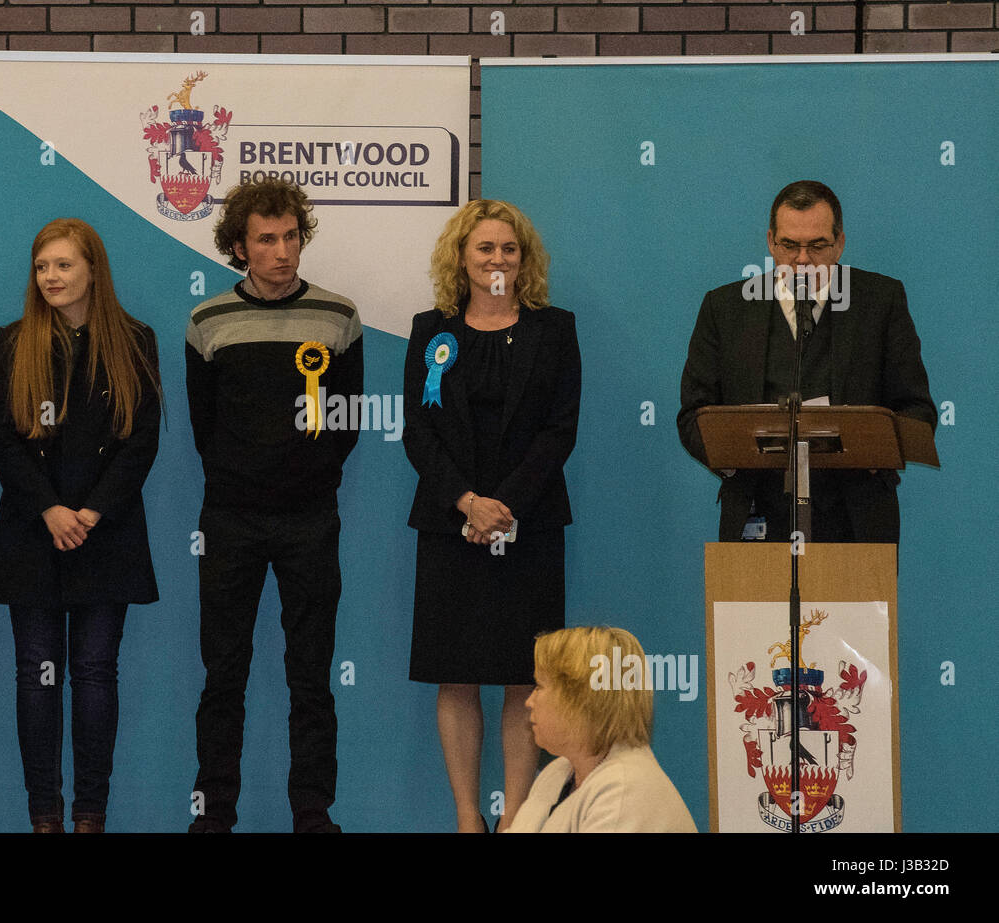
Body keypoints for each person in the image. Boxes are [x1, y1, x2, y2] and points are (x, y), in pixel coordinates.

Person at [185, 178, 362, 833]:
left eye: (290, 236)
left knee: (311, 676)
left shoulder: (339, 316)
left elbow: (345, 423)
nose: (282, 250)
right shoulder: (207, 321)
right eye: (266, 239)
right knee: (223, 674)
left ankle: (313, 811)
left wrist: (304, 479)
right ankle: (215, 812)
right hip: (229, 520)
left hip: (311, 520)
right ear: (240, 245)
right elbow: (205, 428)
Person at [402, 199, 581, 833]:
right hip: (449, 524)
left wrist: (505, 505)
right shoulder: (432, 329)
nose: (497, 259)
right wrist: (468, 503)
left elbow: (560, 431)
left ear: (523, 259)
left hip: (527, 524)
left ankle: (518, 819)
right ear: (462, 257)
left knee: (521, 675)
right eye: (485, 248)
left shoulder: (554, 329)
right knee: (456, 674)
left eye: (509, 249)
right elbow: (417, 431)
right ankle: (466, 818)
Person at [0, 218, 161, 834]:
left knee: (93, 674)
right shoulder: (12, 341)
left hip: (104, 534)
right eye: (42, 267)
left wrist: (92, 511)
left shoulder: (136, 340)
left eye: (63, 265)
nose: (51, 277)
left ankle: (90, 816)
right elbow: (4, 439)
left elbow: (142, 440)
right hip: (33, 532)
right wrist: (50, 510)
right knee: (36, 677)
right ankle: (44, 817)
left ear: (92, 270)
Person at [678, 180, 936, 543]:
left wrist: (876, 449)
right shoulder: (724, 309)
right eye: (789, 245)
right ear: (770, 242)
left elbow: (917, 409)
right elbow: (693, 415)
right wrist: (733, 453)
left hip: (857, 521)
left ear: (839, 244)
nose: (802, 260)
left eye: (817, 246)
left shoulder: (881, 302)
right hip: (756, 517)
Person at [507, 626, 696, 833]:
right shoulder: (557, 773)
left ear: (579, 700)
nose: (529, 701)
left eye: (539, 686)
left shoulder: (624, 789)